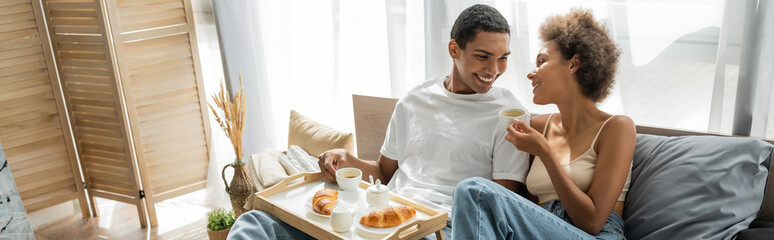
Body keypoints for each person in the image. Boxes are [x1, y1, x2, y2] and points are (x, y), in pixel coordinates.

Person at [228, 4, 531, 240]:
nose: (494, 69)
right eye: (483, 56)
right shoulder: (414, 101)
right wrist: (348, 160)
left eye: (503, 58)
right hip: (378, 213)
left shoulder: (508, 115)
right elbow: (384, 173)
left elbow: (496, 205)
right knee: (255, 223)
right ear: (454, 49)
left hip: (440, 227)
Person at [451, 8, 634, 240]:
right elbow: (521, 210)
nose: (531, 73)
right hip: (542, 228)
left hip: (596, 234)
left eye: (541, 61)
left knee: (474, 190)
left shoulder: (617, 127)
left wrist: (545, 153)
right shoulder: (537, 127)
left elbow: (592, 222)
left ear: (573, 65)